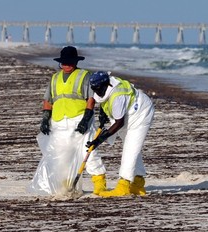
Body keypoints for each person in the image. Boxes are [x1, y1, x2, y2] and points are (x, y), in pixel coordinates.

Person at [30, 46, 107, 196]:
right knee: (61, 155)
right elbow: (48, 100)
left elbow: (90, 98)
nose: (66, 66)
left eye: (69, 63)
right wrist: (45, 118)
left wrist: (86, 117)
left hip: (79, 119)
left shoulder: (84, 75)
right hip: (59, 121)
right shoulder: (55, 78)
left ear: (75, 62)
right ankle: (67, 186)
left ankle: (99, 183)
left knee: (88, 152)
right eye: (64, 63)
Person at [85, 71, 155, 197]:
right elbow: (101, 99)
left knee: (130, 148)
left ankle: (124, 185)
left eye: (98, 89)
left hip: (141, 113)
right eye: (94, 89)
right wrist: (102, 113)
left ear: (105, 85)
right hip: (129, 112)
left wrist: (100, 139)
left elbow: (119, 123)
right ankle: (138, 183)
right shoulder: (102, 86)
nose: (96, 91)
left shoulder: (118, 96)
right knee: (132, 148)